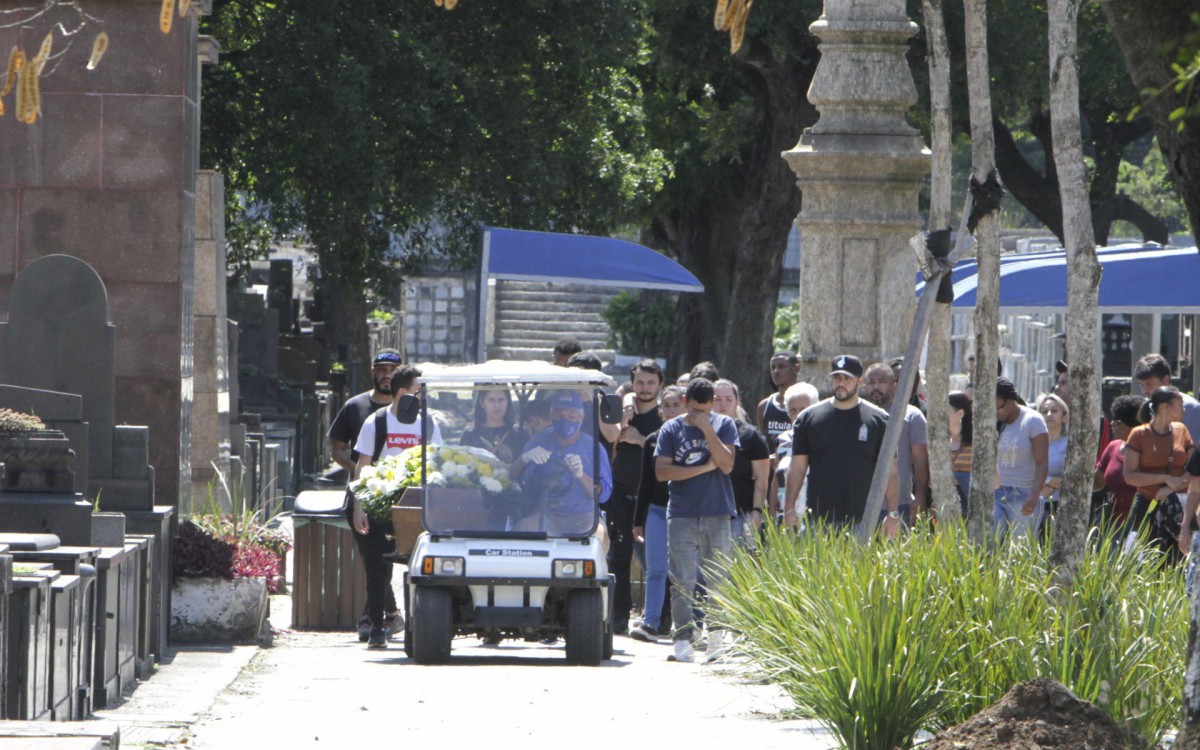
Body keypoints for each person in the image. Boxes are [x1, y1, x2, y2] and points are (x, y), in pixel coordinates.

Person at [350, 364, 443, 649]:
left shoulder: (428, 423)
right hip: (381, 505)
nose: (422, 398)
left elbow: (438, 463)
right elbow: (362, 469)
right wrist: (358, 507)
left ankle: (419, 626)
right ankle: (377, 627)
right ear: (403, 392)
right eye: (418, 391)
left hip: (418, 505)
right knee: (377, 569)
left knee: (421, 568)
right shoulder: (376, 423)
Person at [654, 377, 739, 664]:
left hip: (717, 511)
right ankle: (683, 638)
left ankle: (716, 637)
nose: (703, 414)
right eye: (697, 410)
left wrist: (706, 429)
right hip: (681, 513)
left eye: (707, 408)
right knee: (682, 580)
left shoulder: (724, 425)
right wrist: (703, 468)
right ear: (686, 402)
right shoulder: (671, 428)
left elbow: (727, 466)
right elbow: (662, 472)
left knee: (718, 579)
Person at [326, 347, 401, 642]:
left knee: (384, 559)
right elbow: (338, 450)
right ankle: (387, 615)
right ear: (373, 371)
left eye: (392, 371)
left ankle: (374, 618)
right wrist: (364, 472)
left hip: (399, 496)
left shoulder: (408, 412)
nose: (387, 375)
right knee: (373, 558)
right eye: (382, 369)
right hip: (361, 496)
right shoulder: (355, 407)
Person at [784, 355, 901, 536]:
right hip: (818, 518)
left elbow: (890, 470)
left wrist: (893, 513)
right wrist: (789, 508)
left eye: (847, 378)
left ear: (860, 381)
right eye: (837, 378)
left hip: (863, 519)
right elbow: (797, 467)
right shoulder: (808, 419)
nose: (841, 383)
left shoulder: (880, 420)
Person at [606, 359, 664, 635]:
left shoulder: (666, 417)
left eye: (651, 382)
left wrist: (642, 440)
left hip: (650, 499)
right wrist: (624, 406)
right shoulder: (623, 411)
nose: (645, 388)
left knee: (654, 562)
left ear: (660, 384)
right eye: (639, 382)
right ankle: (618, 618)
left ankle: (661, 619)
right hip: (619, 493)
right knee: (617, 558)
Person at [512, 391, 613, 535]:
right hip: (547, 513)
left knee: (598, 535)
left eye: (571, 416)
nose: (565, 419)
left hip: (584, 516)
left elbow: (603, 495)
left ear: (581, 418)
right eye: (559, 415)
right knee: (523, 528)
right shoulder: (539, 440)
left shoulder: (594, 447)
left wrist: (580, 475)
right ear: (551, 416)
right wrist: (524, 459)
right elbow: (514, 476)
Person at [630, 385, 686, 642]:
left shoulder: (694, 436)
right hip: (656, 509)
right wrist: (638, 520)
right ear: (661, 409)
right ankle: (650, 622)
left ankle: (687, 626)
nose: (672, 410)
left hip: (687, 509)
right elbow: (645, 482)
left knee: (686, 571)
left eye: (676, 404)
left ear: (685, 406)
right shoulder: (653, 439)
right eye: (667, 405)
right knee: (655, 569)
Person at [1123, 386, 1193, 558]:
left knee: (1180, 557)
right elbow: (1130, 476)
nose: (1183, 409)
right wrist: (1165, 478)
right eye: (1179, 404)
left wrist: (1173, 487)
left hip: (1178, 505)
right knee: (1139, 558)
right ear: (1165, 407)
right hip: (1147, 504)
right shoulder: (1138, 434)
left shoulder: (1181, 430)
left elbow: (1194, 468)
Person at [863, 362, 930, 522]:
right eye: (871, 383)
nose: (876, 387)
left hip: (900, 505)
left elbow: (920, 460)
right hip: (862, 505)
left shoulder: (911, 415)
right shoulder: (857, 415)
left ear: (894, 385)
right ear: (864, 386)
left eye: (882, 382)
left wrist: (920, 496)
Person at [713, 379, 771, 548]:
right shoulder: (698, 432)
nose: (723, 404)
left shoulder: (750, 435)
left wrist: (757, 512)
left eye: (728, 399)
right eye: (717, 399)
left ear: (737, 402)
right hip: (705, 516)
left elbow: (761, 479)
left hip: (740, 515)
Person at [993, 377, 1049, 540]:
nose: (996, 413)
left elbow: (1042, 462)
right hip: (998, 492)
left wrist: (1034, 494)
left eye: (999, 408)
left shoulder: (1033, 420)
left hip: (1024, 494)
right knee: (991, 541)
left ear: (1011, 401)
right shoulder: (994, 423)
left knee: (1021, 548)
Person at [1093, 394, 1146, 529]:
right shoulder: (1113, 447)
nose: (1112, 424)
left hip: (1140, 524)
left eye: (1118, 421)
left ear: (1133, 424)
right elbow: (1096, 483)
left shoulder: (1149, 452)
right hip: (1112, 523)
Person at [772, 381, 819, 519]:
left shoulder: (823, 437)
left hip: (814, 512)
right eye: (793, 410)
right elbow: (777, 477)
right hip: (786, 510)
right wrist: (771, 515)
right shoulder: (782, 439)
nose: (798, 415)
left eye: (803, 409)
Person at [1134, 354, 1200, 445]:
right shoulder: (1146, 407)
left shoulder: (1189, 408)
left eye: (1149, 383)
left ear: (1165, 380)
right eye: (1141, 384)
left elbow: (1194, 452)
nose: (1145, 391)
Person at [459, 389, 523, 463]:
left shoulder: (518, 434)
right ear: (482, 403)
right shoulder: (470, 434)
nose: (497, 405)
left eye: (501, 400)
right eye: (491, 400)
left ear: (507, 402)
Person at [757, 352, 801, 451]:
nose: (776, 371)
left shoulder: (806, 404)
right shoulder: (764, 406)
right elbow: (762, 442)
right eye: (773, 368)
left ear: (796, 369)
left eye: (781, 367)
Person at [1037, 393, 1069, 518]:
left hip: (1061, 506)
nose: (1049, 414)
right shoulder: (1032, 442)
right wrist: (1048, 481)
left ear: (1064, 416)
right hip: (1033, 503)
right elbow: (1025, 471)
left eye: (1054, 411)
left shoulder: (1071, 443)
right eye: (1045, 411)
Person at [949, 390, 973, 514]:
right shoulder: (940, 443)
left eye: (946, 411)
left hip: (971, 511)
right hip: (945, 511)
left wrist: (958, 477)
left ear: (961, 413)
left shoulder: (976, 444)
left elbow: (995, 481)